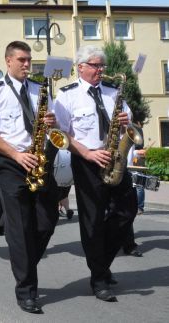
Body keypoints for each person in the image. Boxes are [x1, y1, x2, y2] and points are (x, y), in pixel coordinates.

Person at [0, 41, 59, 314]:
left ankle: (24, 262)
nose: (27, 64)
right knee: (20, 228)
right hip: (11, 163)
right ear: (8, 61)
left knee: (47, 220)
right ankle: (27, 291)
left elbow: (54, 124)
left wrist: (50, 123)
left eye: (29, 59)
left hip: (39, 160)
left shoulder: (39, 90)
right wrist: (16, 155)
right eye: (21, 59)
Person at [54, 45, 138, 303]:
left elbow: (131, 130)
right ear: (81, 67)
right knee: (91, 223)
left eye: (102, 66)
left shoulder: (114, 93)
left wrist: (127, 125)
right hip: (87, 162)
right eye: (95, 65)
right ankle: (99, 279)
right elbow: (61, 134)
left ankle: (101, 263)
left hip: (114, 160)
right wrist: (88, 154)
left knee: (127, 210)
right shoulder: (67, 95)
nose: (101, 70)